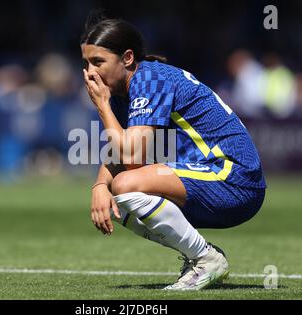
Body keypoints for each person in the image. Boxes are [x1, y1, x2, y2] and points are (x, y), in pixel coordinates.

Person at [80, 14, 266, 290]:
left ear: (127, 58)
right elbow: (125, 150)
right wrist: (99, 185)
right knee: (116, 196)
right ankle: (200, 257)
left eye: (98, 62)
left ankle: (205, 259)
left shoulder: (150, 79)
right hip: (211, 179)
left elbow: (131, 157)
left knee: (125, 185)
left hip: (234, 178)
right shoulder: (123, 91)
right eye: (85, 63)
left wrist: (103, 107)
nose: (90, 72)